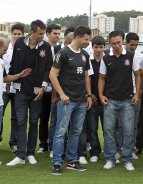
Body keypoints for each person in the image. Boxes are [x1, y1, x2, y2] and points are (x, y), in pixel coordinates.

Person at [6, 20, 53, 166]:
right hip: (20, 90)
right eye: (40, 33)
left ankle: (30, 153)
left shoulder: (46, 46)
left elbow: (48, 68)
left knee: (33, 123)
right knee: (20, 122)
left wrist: (43, 86)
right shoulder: (19, 42)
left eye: (44, 33)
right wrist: (11, 82)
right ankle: (20, 155)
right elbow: (13, 63)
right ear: (32, 32)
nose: (43, 36)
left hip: (37, 92)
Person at [49, 25, 92, 175]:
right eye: (86, 39)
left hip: (81, 100)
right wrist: (61, 94)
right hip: (67, 100)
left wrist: (89, 95)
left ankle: (72, 161)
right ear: (78, 37)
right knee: (61, 131)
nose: (88, 42)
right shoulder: (63, 53)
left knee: (76, 132)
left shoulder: (85, 54)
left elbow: (86, 76)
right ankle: (56, 162)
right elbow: (52, 75)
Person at [98, 30, 141, 171]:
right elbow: (101, 78)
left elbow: (138, 75)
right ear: (109, 43)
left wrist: (137, 94)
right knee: (108, 131)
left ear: (122, 41)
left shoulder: (131, 56)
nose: (117, 45)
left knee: (128, 131)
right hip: (110, 100)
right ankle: (110, 159)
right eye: (113, 43)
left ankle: (127, 159)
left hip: (127, 100)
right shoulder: (106, 58)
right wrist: (100, 95)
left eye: (119, 42)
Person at [0, 37, 32, 164]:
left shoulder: (1, 62)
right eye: (4, 49)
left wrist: (19, 75)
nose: (6, 52)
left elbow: (6, 77)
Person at [78, 36, 105, 164]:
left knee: (108, 129)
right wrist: (90, 95)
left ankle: (110, 152)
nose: (98, 50)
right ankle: (95, 152)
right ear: (92, 47)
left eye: (101, 47)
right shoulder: (88, 60)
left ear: (104, 47)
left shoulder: (107, 60)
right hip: (91, 101)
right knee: (92, 129)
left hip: (105, 101)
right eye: (96, 47)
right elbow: (85, 79)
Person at [48, 26, 75, 158]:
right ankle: (53, 148)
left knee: (72, 127)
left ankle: (69, 153)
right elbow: (53, 75)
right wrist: (55, 95)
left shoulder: (79, 53)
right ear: (65, 40)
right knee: (56, 123)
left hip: (73, 96)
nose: (70, 45)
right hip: (59, 95)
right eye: (68, 42)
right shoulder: (57, 50)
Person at [37, 24, 61, 154]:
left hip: (56, 89)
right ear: (48, 34)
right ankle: (43, 144)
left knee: (55, 119)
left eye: (58, 33)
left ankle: (53, 144)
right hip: (44, 88)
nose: (57, 36)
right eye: (54, 33)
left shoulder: (61, 49)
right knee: (43, 117)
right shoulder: (42, 48)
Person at [1, 23, 24, 153]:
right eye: (14, 34)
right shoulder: (4, 48)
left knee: (16, 117)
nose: (16, 36)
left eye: (19, 34)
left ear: (22, 35)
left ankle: (13, 142)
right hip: (3, 88)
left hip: (18, 88)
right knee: (1, 114)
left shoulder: (24, 49)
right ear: (11, 34)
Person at [124, 32, 143, 160]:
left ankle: (130, 149)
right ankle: (119, 148)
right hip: (121, 94)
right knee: (119, 125)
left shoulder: (140, 57)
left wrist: (139, 91)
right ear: (125, 42)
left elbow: (140, 75)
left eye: (136, 45)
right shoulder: (119, 54)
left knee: (134, 124)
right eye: (131, 44)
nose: (133, 47)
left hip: (135, 94)